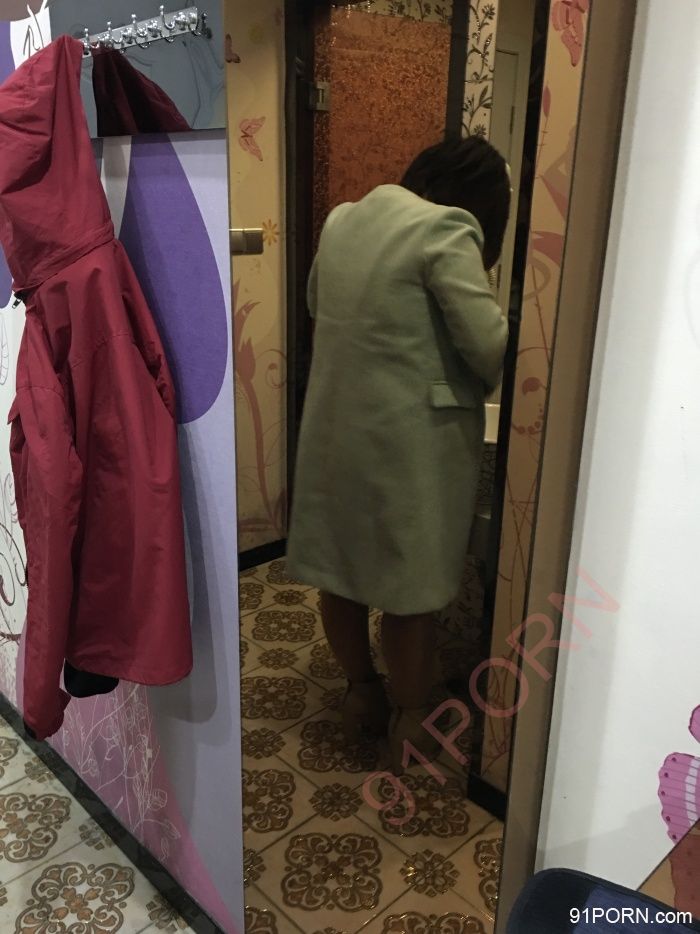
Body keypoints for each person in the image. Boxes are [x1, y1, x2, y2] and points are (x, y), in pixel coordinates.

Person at [286, 136, 511, 771]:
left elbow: (317, 304)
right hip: (410, 447)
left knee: (341, 573)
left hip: (335, 434)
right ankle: (411, 723)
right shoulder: (446, 228)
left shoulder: (343, 220)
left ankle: (362, 695)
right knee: (409, 593)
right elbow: (489, 347)